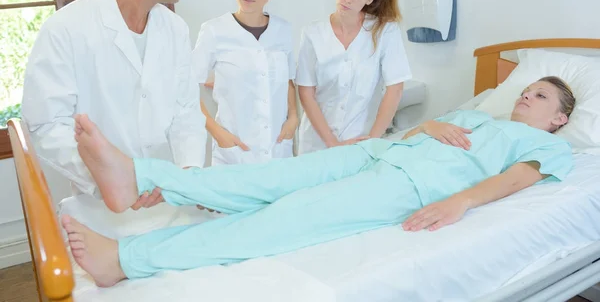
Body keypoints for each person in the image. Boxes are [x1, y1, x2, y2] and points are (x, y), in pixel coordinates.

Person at [62, 77, 575, 287]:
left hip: (405, 186)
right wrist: (428, 124)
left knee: (284, 218)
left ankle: (126, 260)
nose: (528, 96)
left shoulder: (548, 146)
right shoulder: (479, 113)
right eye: (527, 89)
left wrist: (460, 203)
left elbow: (512, 182)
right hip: (383, 150)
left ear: (558, 119)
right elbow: (417, 131)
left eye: (541, 96)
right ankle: (137, 177)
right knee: (264, 179)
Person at [21, 0, 206, 210]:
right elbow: (46, 124)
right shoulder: (66, 29)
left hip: (167, 196)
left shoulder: (175, 29)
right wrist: (111, 176)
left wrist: (187, 173)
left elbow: (186, 111)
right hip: (101, 207)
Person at [295, 0, 412, 154]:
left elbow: (395, 89)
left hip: (361, 142)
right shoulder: (312, 33)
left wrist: (372, 141)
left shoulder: (385, 31)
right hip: (316, 144)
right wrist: (333, 143)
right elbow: (306, 93)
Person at [193, 0, 297, 165]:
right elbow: (186, 88)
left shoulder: (283, 30)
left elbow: (288, 80)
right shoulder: (214, 31)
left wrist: (293, 117)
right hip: (235, 153)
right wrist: (217, 133)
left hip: (278, 150)